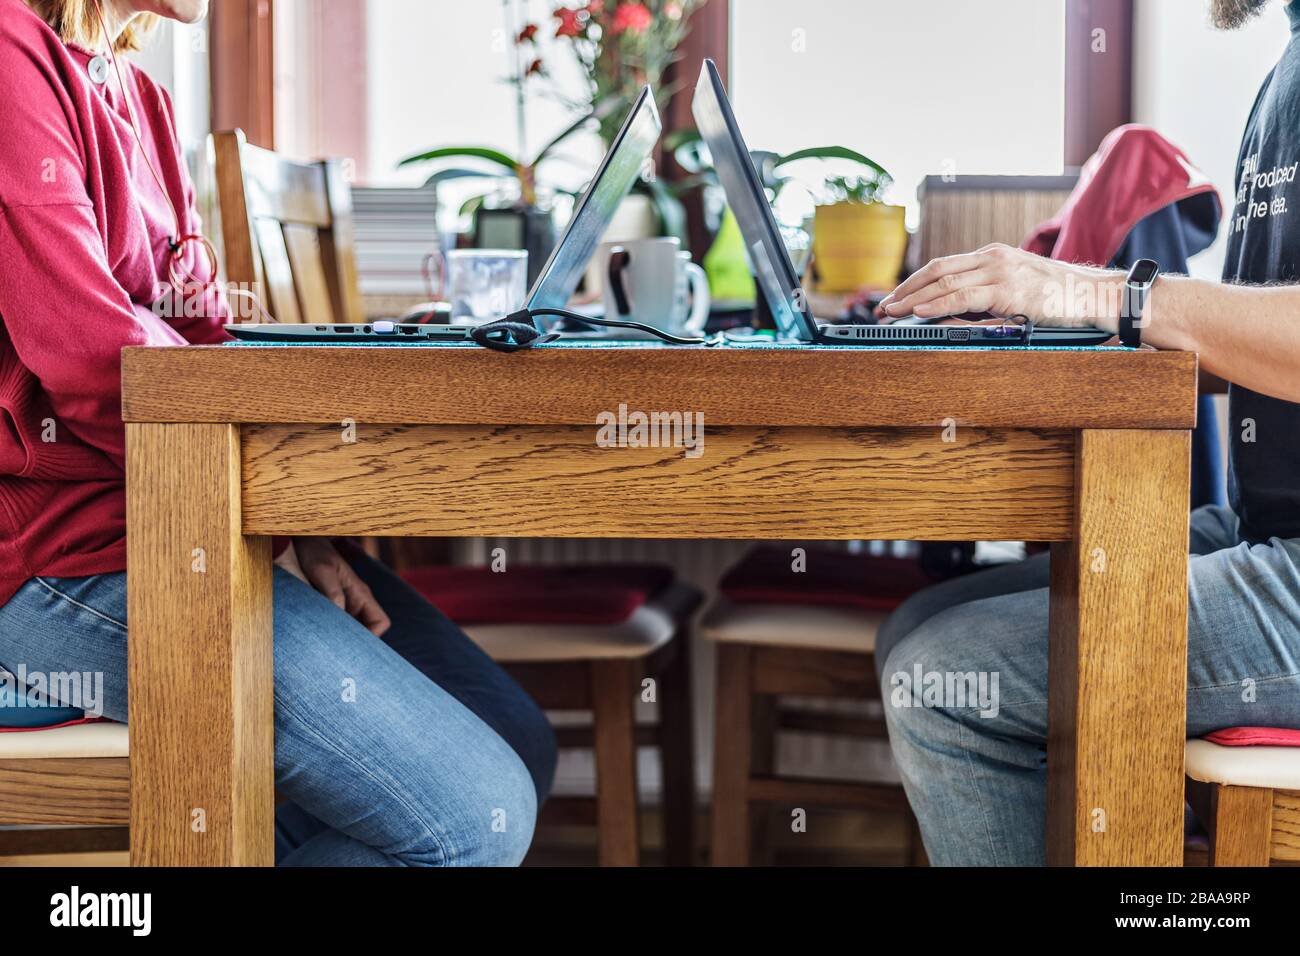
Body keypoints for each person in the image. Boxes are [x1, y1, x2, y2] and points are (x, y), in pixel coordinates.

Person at [0, 0, 555, 866]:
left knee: (515, 734)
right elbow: (98, 358)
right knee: (469, 819)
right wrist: (270, 514)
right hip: (59, 558)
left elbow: (208, 337)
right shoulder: (9, 55)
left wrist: (300, 527)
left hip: (188, 518)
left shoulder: (140, 97)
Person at [873, 0, 1300, 866]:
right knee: (919, 625)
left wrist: (1106, 293)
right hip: (1268, 532)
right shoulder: (1287, 68)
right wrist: (1044, 322)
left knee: (945, 682)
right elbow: (1253, 339)